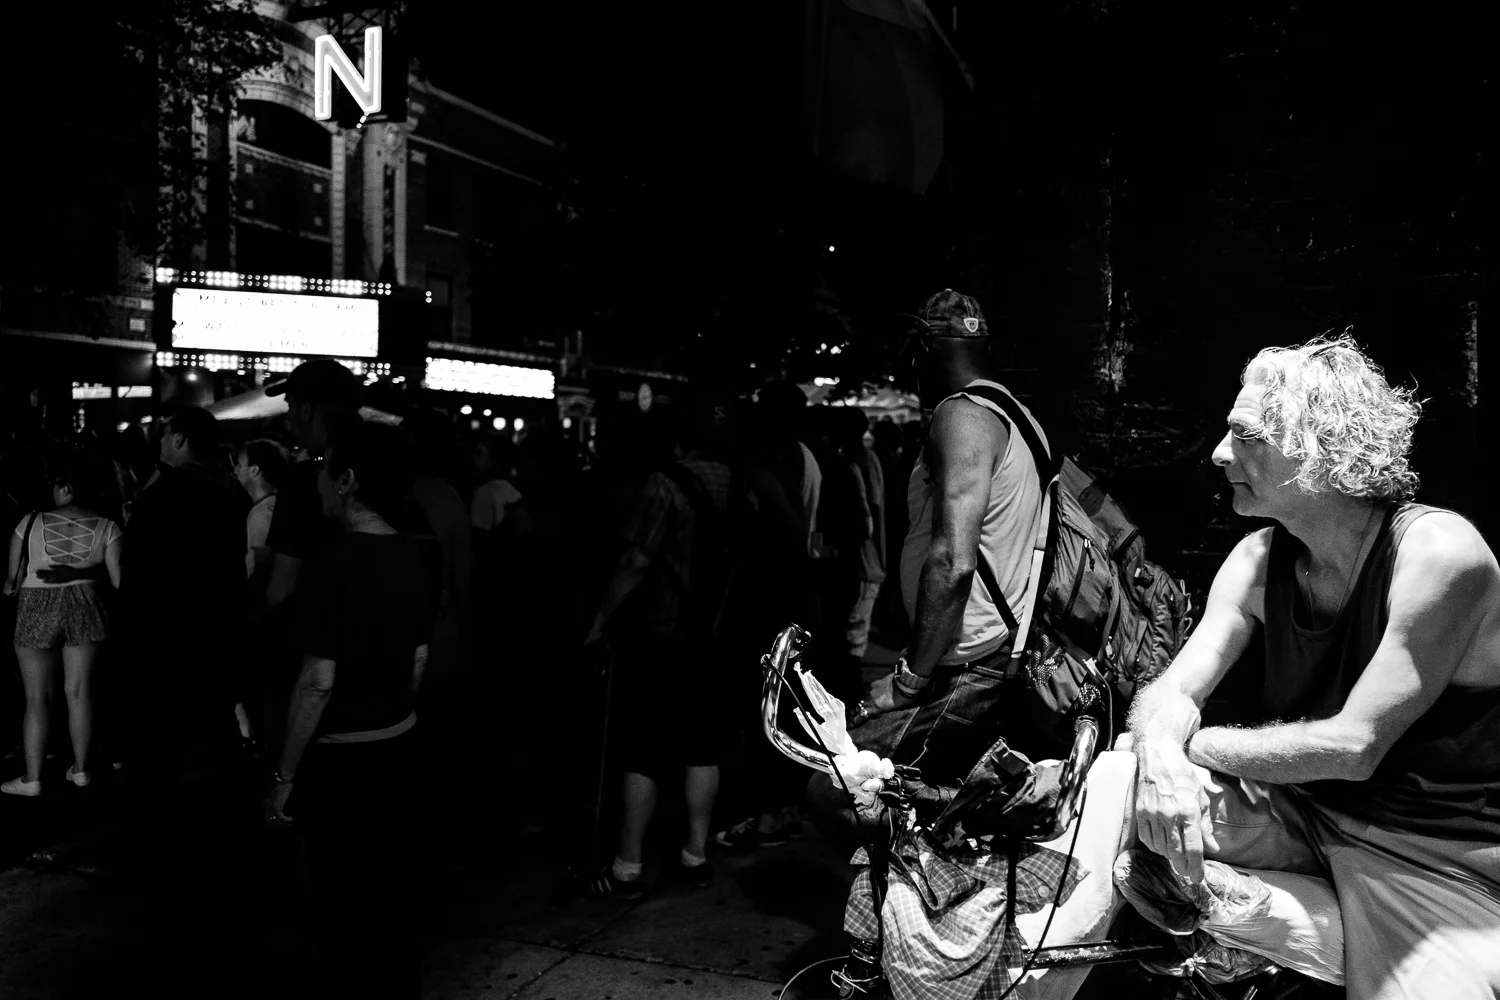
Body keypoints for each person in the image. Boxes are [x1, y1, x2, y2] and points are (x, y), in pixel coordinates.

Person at [1126, 335, 1500, 999]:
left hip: (1433, 854)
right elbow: (1171, 691)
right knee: (1115, 786)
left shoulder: (1441, 553)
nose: (1220, 454)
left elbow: (1352, 749)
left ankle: (1259, 926)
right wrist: (1158, 751)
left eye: (1247, 435)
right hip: (1306, 815)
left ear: (1321, 448)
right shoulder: (1256, 559)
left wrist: (1194, 745)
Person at [813, 288, 1051, 811]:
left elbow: (953, 562)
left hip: (966, 664)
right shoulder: (1018, 416)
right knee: (930, 808)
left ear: (924, 347)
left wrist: (909, 681)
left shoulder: (961, 415)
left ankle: (914, 866)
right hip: (988, 654)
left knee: (834, 788)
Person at [263, 421, 439, 1000]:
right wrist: (393, 709)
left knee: (340, 899)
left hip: (344, 759)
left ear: (348, 481)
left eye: (325, 467)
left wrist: (284, 777)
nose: (317, 477)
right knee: (392, 891)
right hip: (400, 741)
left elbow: (317, 682)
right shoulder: (414, 553)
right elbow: (418, 657)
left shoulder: (331, 563)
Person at [581, 388, 737, 897]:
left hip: (661, 632)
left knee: (643, 748)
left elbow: (635, 562)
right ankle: (695, 854)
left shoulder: (665, 483)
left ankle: (627, 865)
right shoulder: (739, 482)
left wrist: (600, 621)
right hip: (714, 634)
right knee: (702, 745)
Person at [115, 405, 246, 766]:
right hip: (213, 631)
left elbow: (136, 571)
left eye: (164, 436)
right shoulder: (228, 494)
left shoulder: (161, 495)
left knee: (166, 741)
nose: (159, 443)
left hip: (163, 634)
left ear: (179, 440)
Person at [2, 453, 122, 795]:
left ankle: (32, 778)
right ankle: (81, 770)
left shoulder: (29, 523)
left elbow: (11, 581)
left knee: (36, 697)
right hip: (86, 605)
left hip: (36, 606)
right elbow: (119, 582)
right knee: (79, 692)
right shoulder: (108, 527)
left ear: (65, 487)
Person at [232, 437, 288, 752]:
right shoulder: (272, 507)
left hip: (266, 613)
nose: (235, 470)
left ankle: (259, 742)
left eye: (240, 464)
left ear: (255, 470)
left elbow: (263, 565)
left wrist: (252, 607)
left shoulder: (263, 512)